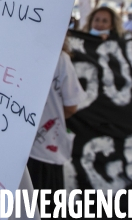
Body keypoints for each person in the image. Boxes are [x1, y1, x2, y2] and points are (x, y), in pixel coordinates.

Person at [27, 38, 86, 212]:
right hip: (43, 152)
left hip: (24, 151)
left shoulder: (11, 52)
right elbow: (71, 106)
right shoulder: (60, 59)